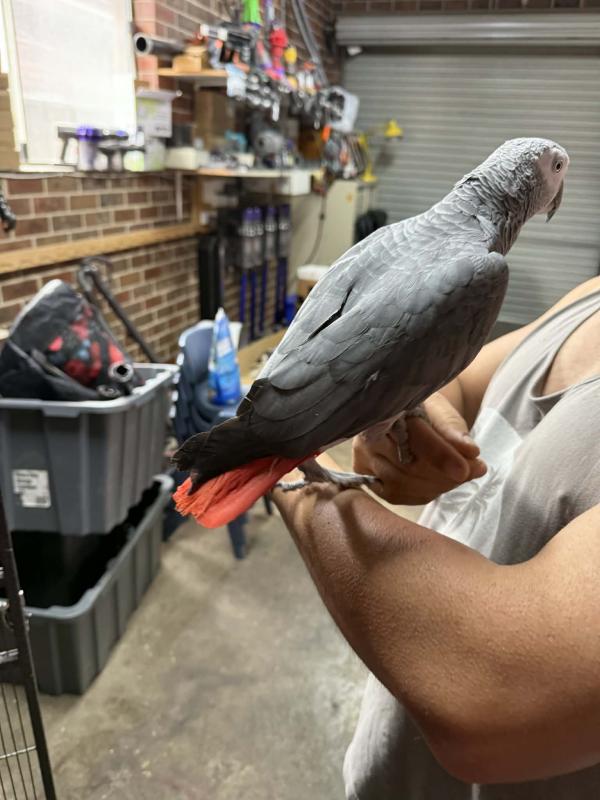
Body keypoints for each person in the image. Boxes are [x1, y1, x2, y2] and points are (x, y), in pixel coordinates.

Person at [272, 276, 600, 799]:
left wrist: (280, 466)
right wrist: (415, 412)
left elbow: (490, 695)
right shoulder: (586, 296)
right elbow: (461, 380)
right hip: (398, 767)